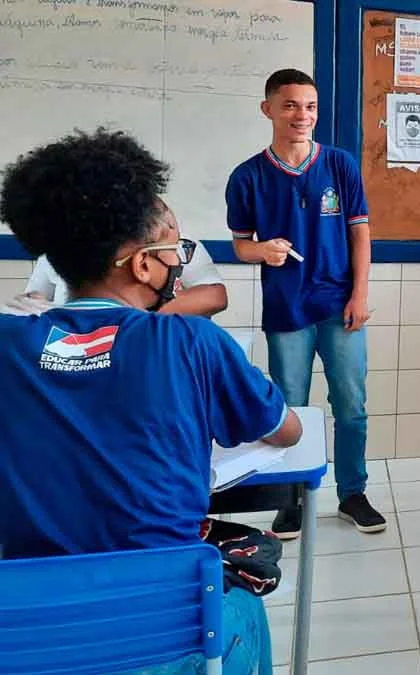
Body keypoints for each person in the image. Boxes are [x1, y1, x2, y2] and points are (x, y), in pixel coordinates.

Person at [0, 128, 303, 673]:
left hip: (27, 628)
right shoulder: (191, 342)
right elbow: (287, 432)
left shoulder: (7, 342)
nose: (179, 263)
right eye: (173, 252)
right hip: (163, 625)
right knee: (244, 613)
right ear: (142, 265)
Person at [226, 68, 385, 540]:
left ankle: (352, 492)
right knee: (289, 405)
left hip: (339, 305)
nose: (302, 115)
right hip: (286, 310)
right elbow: (240, 245)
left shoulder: (339, 165)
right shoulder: (248, 176)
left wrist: (359, 294)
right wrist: (263, 250)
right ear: (268, 109)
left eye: (310, 106)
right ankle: (291, 497)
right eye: (291, 104)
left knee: (351, 403)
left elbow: (360, 232)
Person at [22, 204, 228, 317]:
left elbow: (215, 296)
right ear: (142, 264)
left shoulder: (172, 246)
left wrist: (136, 316)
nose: (178, 260)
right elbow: (32, 300)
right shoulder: (61, 252)